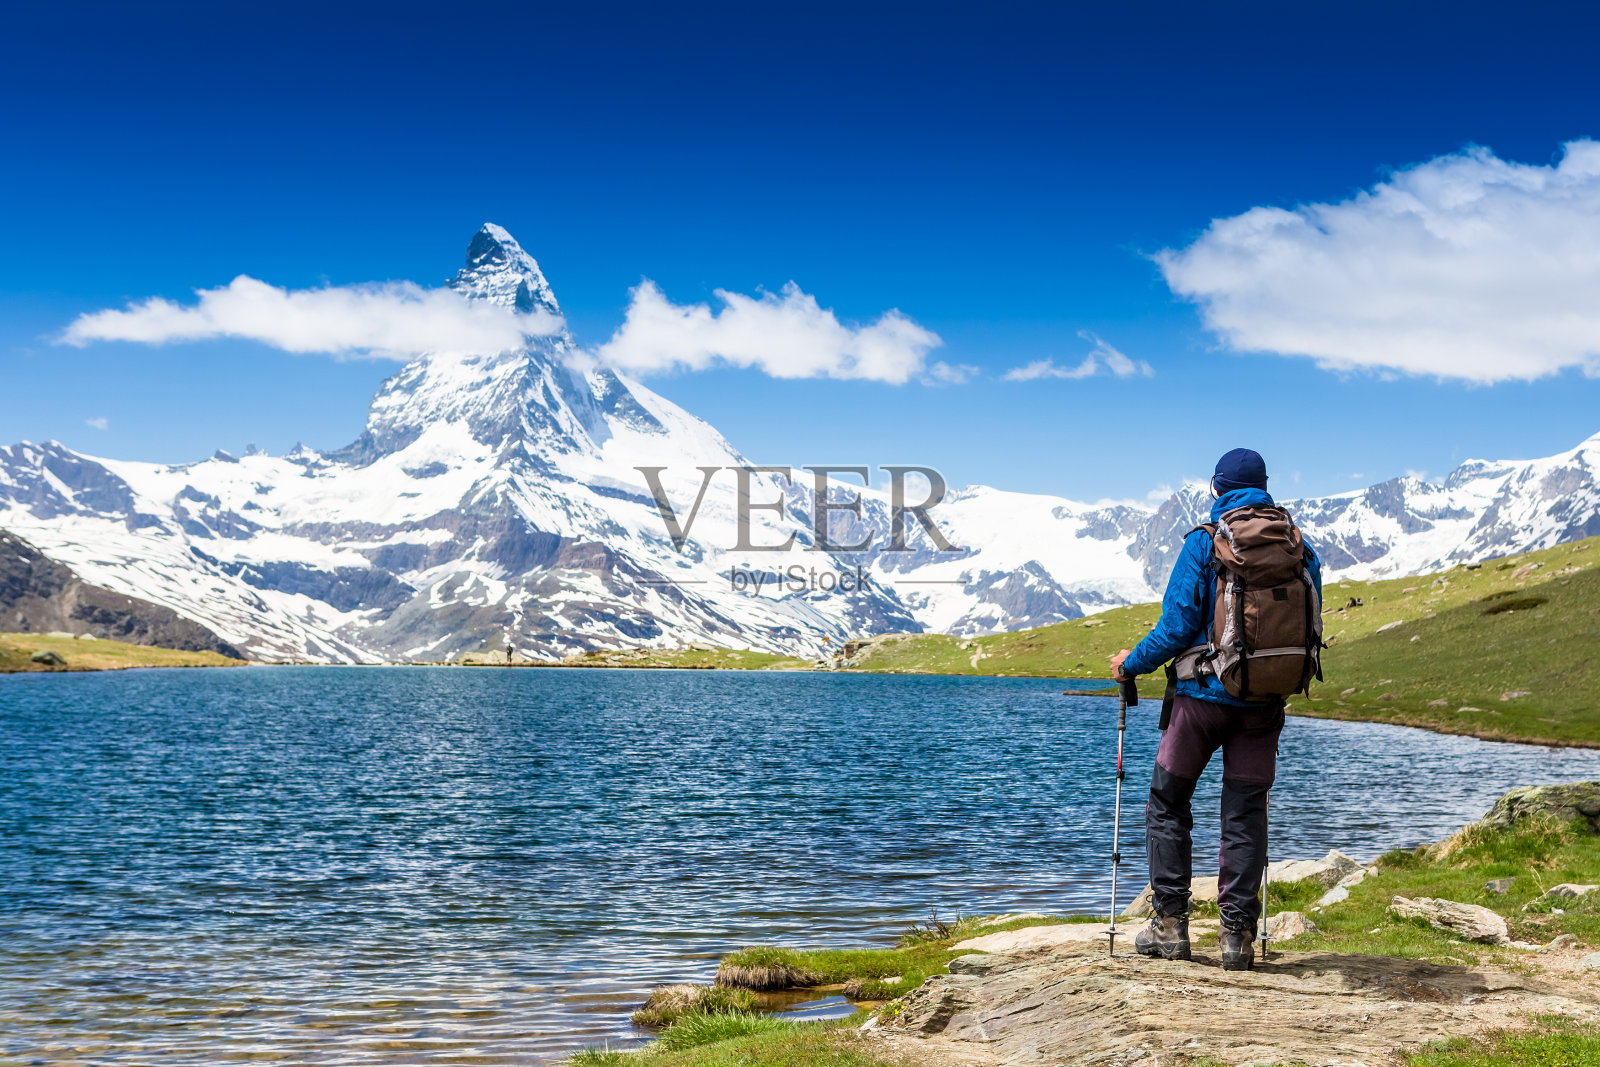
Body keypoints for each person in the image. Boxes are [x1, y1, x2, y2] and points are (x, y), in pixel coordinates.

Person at [1109, 448, 1322, 971]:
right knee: (1245, 813)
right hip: (1263, 704)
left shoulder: (1206, 543)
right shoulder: (1299, 547)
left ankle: (1171, 926)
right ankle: (1237, 938)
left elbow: (1177, 627)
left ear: (1217, 488)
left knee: (1167, 801)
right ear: (1265, 487)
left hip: (1201, 703)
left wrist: (1128, 665)